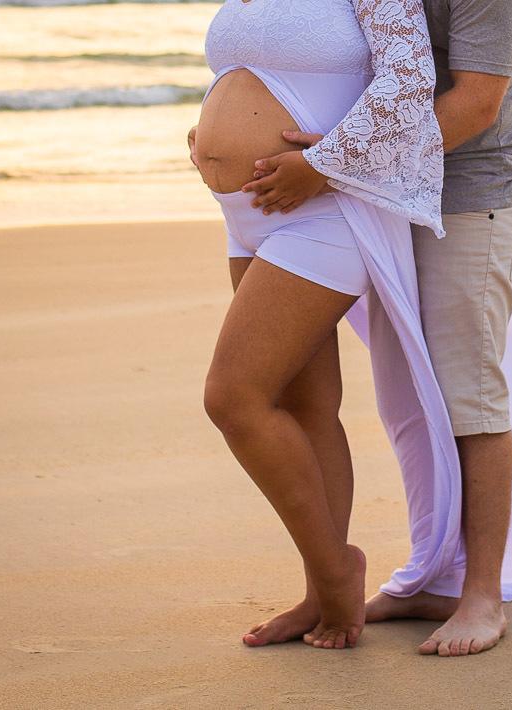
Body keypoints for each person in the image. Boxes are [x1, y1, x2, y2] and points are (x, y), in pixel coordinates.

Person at [248, 0, 512, 656]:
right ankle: (432, 576)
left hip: (468, 199)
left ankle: (482, 596)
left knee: (468, 397)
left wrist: (332, 165)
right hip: (385, 196)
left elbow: (476, 104)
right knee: (409, 401)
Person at [189, 0, 448, 650]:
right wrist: (208, 136)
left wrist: (327, 164)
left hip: (325, 206)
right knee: (305, 405)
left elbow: (407, 81)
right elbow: (259, 71)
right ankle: (318, 591)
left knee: (234, 397)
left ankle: (337, 571)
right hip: (248, 211)